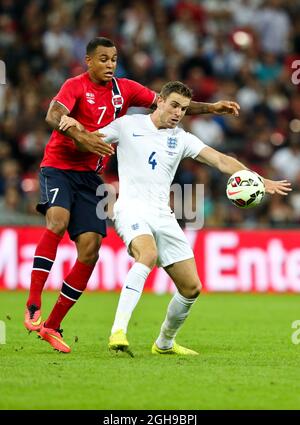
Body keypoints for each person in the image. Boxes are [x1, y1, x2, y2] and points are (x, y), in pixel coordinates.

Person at [24, 36, 241, 354]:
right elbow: (53, 115)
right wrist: (75, 132)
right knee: (57, 221)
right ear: (89, 61)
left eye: (113, 59)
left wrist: (212, 108)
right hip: (58, 165)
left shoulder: (125, 90)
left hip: (89, 176)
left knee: (91, 249)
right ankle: (33, 302)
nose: (110, 64)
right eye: (103, 59)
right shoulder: (74, 85)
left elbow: (171, 103)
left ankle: (53, 325)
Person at [63, 81, 291, 355]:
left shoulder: (181, 138)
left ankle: (164, 343)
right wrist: (71, 126)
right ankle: (118, 331)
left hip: (163, 214)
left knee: (191, 287)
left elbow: (220, 160)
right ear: (159, 101)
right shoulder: (127, 125)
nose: (178, 113)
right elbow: (89, 140)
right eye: (173, 105)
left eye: (183, 109)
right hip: (131, 208)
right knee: (147, 254)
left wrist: (258, 179)